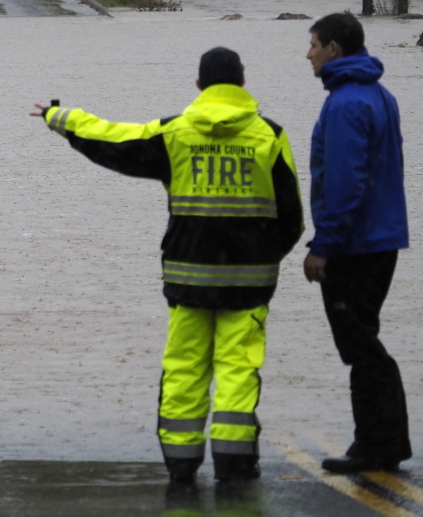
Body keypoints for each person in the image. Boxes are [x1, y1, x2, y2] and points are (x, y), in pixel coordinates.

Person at [30, 47, 304, 484]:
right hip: (249, 284)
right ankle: (235, 464)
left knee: (184, 368)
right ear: (243, 84)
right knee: (238, 370)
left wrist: (60, 119)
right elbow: (291, 217)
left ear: (199, 86)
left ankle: (181, 465)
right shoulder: (270, 136)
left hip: (188, 279)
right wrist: (262, 258)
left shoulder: (174, 133)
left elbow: (113, 140)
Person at [303, 12, 411, 473]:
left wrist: (323, 244)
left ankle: (378, 444)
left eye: (312, 44)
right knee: (364, 340)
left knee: (360, 346)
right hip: (380, 239)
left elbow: (345, 182)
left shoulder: (345, 104)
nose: (307, 53)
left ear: (333, 49)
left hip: (356, 245)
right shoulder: (378, 95)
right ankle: (380, 441)